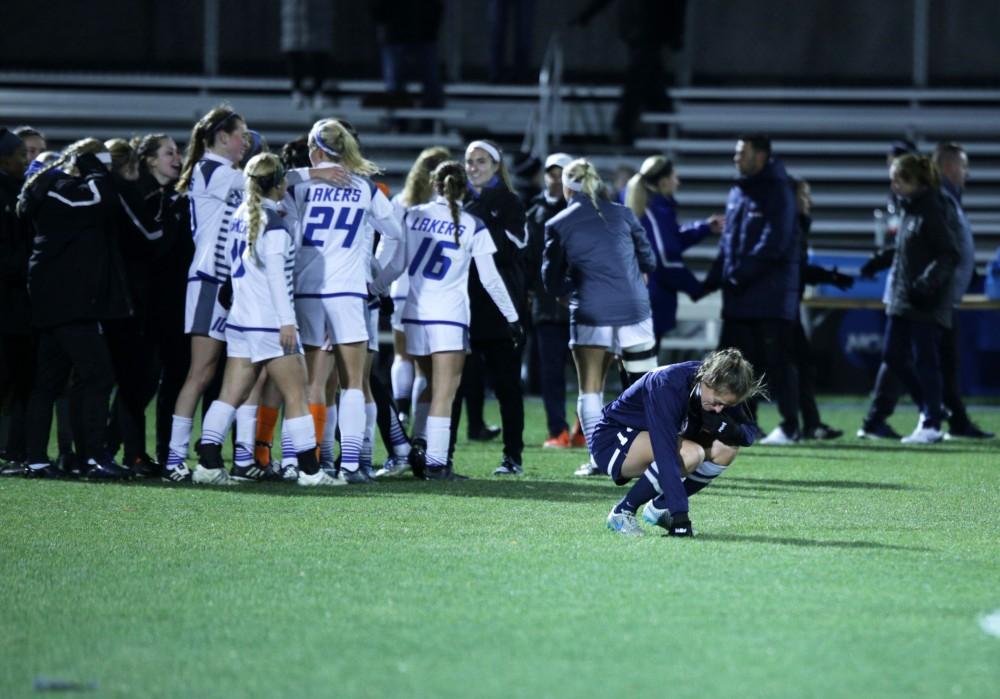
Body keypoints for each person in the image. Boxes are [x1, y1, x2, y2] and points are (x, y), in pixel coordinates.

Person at [196, 153, 336, 485]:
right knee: (297, 394)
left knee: (230, 393)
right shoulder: (274, 226)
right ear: (279, 185)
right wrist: (287, 322)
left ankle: (207, 464)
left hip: (241, 320)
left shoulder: (242, 214)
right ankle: (310, 472)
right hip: (271, 323)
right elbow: (276, 278)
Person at [386, 160, 522, 479]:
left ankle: (417, 448)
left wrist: (375, 288)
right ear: (466, 189)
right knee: (444, 393)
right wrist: (513, 317)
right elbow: (490, 279)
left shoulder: (413, 215)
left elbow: (396, 265)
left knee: (428, 384)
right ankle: (435, 463)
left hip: (414, 316)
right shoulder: (473, 223)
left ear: (434, 184)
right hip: (448, 318)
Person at [284, 118, 402, 483]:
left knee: (307, 382)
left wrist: (307, 174)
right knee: (354, 382)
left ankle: (299, 460)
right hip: (349, 290)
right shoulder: (365, 188)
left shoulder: (296, 185)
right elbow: (398, 239)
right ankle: (351, 464)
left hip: (305, 289)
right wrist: (378, 282)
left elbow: (261, 186)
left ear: (317, 149)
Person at [18, 138, 133, 480]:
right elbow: (101, 200)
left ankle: (40, 459)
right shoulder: (60, 188)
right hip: (67, 301)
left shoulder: (55, 188)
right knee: (97, 375)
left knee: (49, 381)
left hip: (60, 300)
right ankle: (93, 457)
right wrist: (95, 169)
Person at [542, 158, 657, 477]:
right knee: (646, 387)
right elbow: (649, 260)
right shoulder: (623, 214)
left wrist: (574, 286)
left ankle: (600, 459)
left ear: (567, 187)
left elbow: (551, 282)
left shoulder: (559, 223)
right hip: (635, 312)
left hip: (591, 312)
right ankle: (654, 455)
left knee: (590, 389)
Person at [600, 348, 762, 537]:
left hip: (649, 439)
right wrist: (680, 518)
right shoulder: (668, 384)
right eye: (717, 403)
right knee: (691, 453)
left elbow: (749, 433)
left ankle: (661, 507)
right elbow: (665, 454)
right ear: (707, 381)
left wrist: (727, 428)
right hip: (613, 438)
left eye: (725, 406)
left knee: (727, 448)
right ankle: (622, 512)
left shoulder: (720, 386)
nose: (719, 410)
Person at [703, 134, 800, 445]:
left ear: (760, 156)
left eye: (741, 152)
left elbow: (774, 243)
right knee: (734, 365)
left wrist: (738, 276)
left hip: (768, 296)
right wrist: (711, 280)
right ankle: (746, 423)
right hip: (741, 296)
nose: (735, 157)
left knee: (775, 364)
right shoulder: (739, 191)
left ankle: (789, 426)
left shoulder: (777, 191)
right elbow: (729, 242)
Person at [858, 154, 961, 444]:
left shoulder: (932, 209)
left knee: (925, 361)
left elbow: (949, 254)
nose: (893, 185)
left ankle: (931, 422)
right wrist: (877, 262)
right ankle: (931, 407)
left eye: (898, 179)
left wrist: (926, 284)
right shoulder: (910, 209)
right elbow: (904, 250)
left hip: (923, 300)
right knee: (893, 356)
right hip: (903, 298)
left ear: (916, 181)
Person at [450, 139, 528, 475]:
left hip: (500, 306)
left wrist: (480, 223)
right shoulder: (456, 200)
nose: (474, 167)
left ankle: (513, 456)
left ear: (496, 166)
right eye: (469, 161)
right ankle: (443, 454)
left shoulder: (509, 201)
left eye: (481, 161)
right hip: (461, 302)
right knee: (452, 384)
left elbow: (516, 247)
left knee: (507, 387)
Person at [132, 133, 194, 466]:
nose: (177, 157)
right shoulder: (139, 196)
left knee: (173, 379)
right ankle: (129, 450)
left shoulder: (176, 198)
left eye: (178, 152)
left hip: (174, 304)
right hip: (144, 305)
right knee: (139, 382)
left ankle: (165, 452)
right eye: (168, 153)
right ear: (150, 160)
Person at [623, 155, 724, 346]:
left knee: (637, 366)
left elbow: (671, 241)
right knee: (642, 368)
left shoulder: (652, 208)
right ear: (663, 182)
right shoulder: (654, 212)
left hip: (642, 300)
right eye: (674, 177)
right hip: (650, 303)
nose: (678, 182)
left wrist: (704, 228)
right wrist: (697, 288)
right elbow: (665, 258)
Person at [931, 143, 992, 439]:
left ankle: (952, 419)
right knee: (930, 360)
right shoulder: (941, 198)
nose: (966, 173)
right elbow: (944, 249)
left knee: (942, 360)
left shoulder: (949, 197)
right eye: (963, 166)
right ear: (949, 167)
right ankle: (935, 418)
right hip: (938, 296)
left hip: (946, 295)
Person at [572, 0, 688, 143]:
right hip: (642, 29)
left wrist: (676, 33)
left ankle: (624, 127)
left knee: (641, 79)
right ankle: (662, 125)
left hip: (648, 29)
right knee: (649, 81)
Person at [790, 178, 853, 440]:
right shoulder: (787, 228)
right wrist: (828, 276)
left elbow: (799, 268)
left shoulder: (796, 226)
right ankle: (791, 425)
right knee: (785, 366)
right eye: (804, 196)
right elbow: (793, 268)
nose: (810, 202)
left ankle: (806, 424)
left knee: (798, 365)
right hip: (776, 309)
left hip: (784, 306)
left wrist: (829, 277)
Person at [524, 152, 575, 448]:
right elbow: (528, 262)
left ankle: (585, 427)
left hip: (580, 305)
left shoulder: (582, 210)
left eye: (561, 173)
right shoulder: (534, 213)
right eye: (551, 173)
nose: (555, 178)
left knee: (589, 374)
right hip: (547, 307)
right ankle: (558, 430)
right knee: (551, 373)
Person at [0, 129, 32, 474]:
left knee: (20, 380)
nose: (26, 161)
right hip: (8, 303)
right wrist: (31, 265)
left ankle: (14, 451)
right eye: (21, 154)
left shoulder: (20, 190)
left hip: (19, 305)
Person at [280, 0, 334, 110]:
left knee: (319, 49)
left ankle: (318, 91)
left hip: (319, 8)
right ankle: (297, 90)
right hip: (294, 6)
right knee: (294, 47)